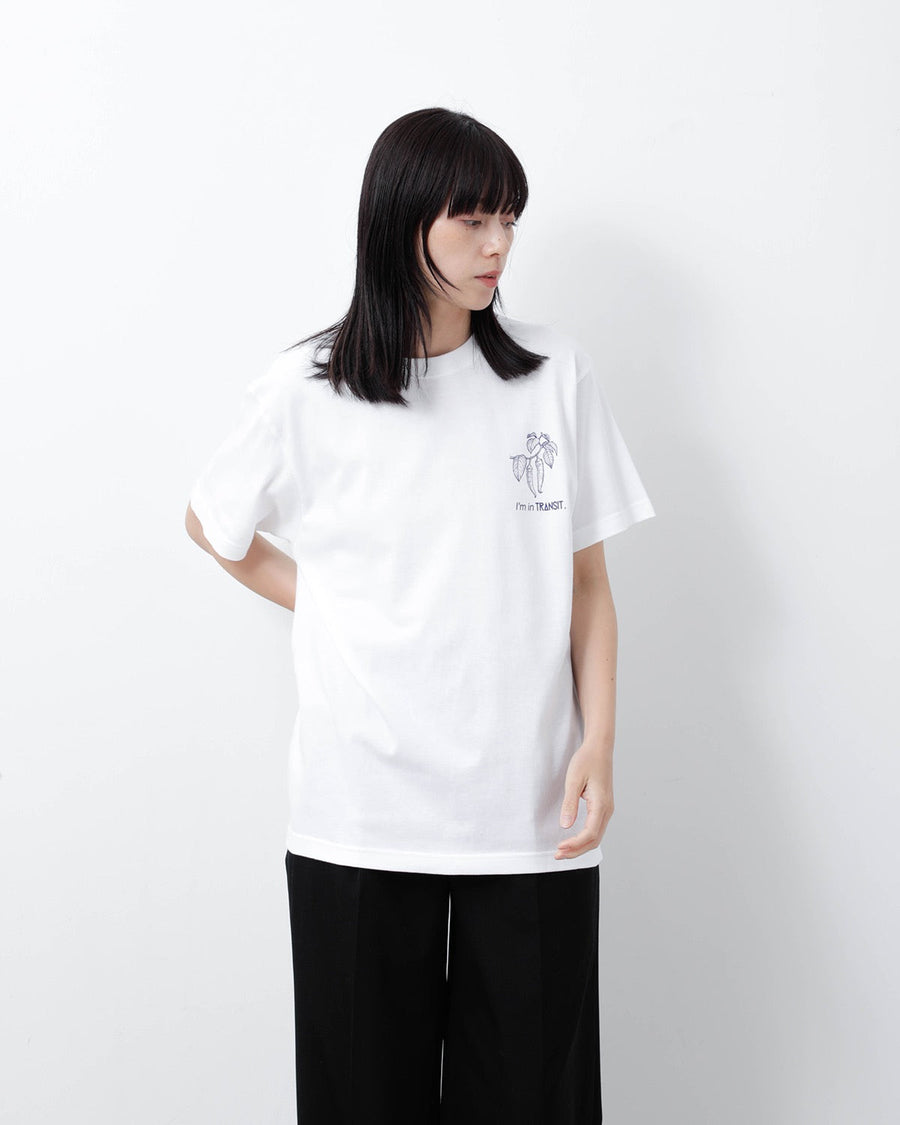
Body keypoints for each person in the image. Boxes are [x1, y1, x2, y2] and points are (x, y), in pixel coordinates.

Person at [185, 106, 655, 1125]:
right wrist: (329, 601)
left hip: (530, 816)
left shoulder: (552, 374)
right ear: (404, 225)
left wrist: (600, 744)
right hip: (360, 812)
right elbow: (213, 524)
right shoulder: (307, 389)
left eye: (509, 221)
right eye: (472, 221)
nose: (498, 246)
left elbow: (586, 585)